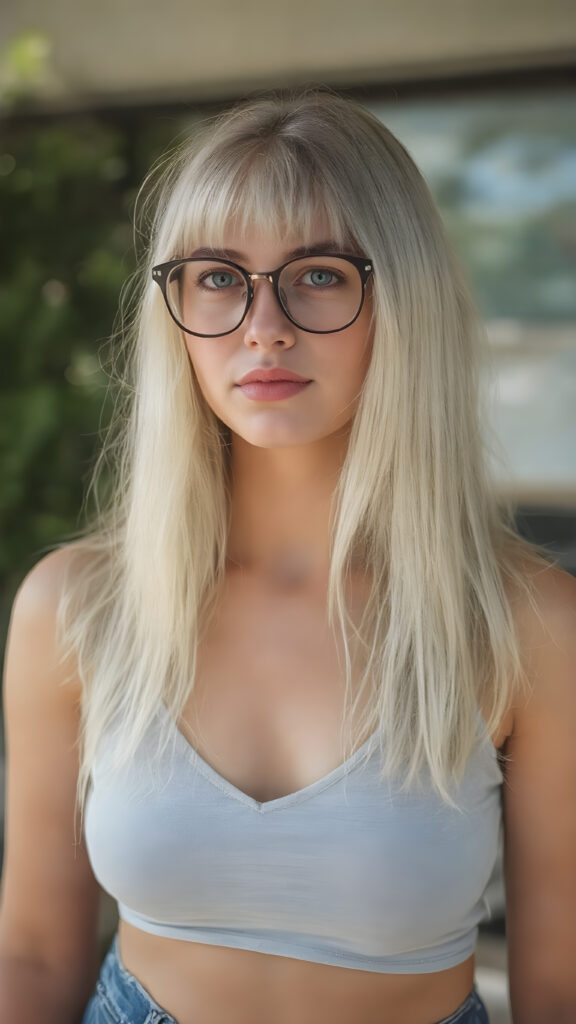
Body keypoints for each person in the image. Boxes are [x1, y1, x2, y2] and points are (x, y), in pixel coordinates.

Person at [0, 89, 575, 1024]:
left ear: (402, 295)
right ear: (175, 308)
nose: (263, 325)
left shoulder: (526, 624)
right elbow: (29, 956)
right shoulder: (77, 607)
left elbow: (559, 990)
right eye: (219, 277)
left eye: (316, 274)